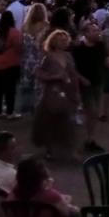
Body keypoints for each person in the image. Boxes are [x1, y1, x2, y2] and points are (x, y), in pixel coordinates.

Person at [33, 29, 80, 160]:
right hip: (52, 92)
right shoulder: (47, 56)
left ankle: (71, 150)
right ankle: (50, 149)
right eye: (61, 40)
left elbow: (73, 74)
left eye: (66, 40)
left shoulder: (68, 56)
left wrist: (76, 91)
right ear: (53, 41)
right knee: (49, 121)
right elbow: (38, 72)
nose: (64, 42)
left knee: (69, 121)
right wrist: (53, 76)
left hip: (68, 91)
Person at [72, 20, 109, 153]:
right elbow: (72, 68)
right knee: (91, 111)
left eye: (97, 30)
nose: (97, 33)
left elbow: (107, 60)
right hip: (85, 85)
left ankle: (90, 139)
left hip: (97, 82)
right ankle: (88, 139)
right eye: (94, 31)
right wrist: (81, 78)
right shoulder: (78, 48)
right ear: (85, 33)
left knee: (94, 113)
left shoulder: (100, 45)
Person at [0, 10, 22, 119]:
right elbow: (19, 48)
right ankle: (10, 113)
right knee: (10, 89)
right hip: (10, 64)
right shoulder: (15, 32)